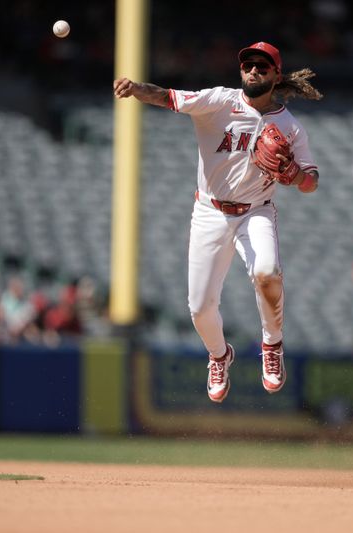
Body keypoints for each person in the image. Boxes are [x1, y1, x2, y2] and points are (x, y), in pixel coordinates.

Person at [114, 41, 322, 403]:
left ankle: (271, 346)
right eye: (248, 65)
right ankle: (219, 355)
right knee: (199, 307)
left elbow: (312, 181)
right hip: (209, 212)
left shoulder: (289, 126)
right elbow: (167, 97)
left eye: (261, 66)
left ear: (275, 74)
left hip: (256, 210)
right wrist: (135, 89)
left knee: (267, 271)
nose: (252, 70)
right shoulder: (220, 101)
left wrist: (294, 175)